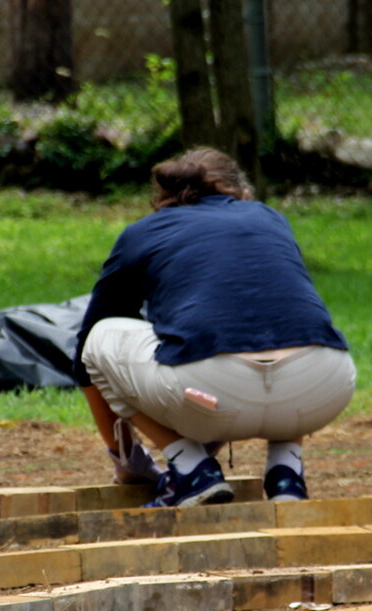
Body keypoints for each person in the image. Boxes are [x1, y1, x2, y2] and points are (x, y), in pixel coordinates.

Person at [74, 147, 356, 507]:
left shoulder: (143, 232)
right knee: (284, 323)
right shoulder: (269, 217)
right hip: (324, 388)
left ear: (164, 201)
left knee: (99, 337)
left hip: (211, 396)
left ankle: (191, 470)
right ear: (243, 195)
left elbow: (85, 352)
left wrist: (129, 463)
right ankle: (287, 475)